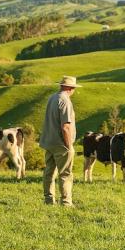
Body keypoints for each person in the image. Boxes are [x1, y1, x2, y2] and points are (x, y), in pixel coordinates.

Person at [40, 75, 82, 206]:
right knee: (65, 174)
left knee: (49, 172)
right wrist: (69, 146)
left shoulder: (52, 98)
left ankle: (48, 200)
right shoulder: (65, 101)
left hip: (49, 141)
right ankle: (66, 202)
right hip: (61, 143)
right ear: (70, 88)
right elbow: (66, 126)